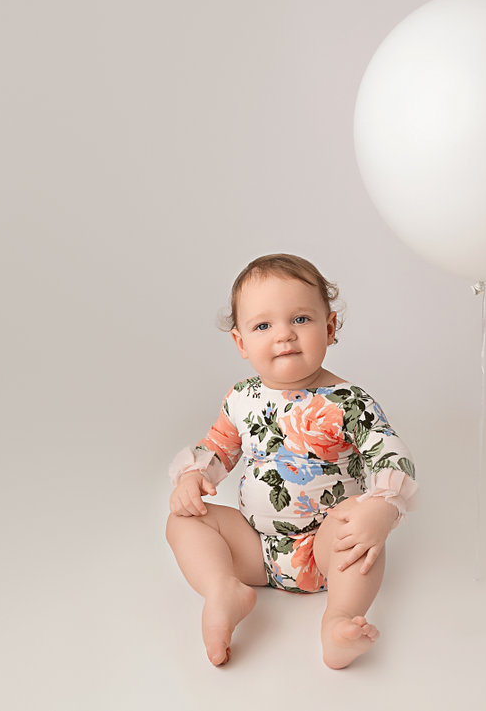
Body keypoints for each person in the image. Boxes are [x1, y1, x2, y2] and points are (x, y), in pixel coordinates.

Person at [166, 254, 418, 669]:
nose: (284, 335)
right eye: (263, 326)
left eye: (300, 319)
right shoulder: (242, 397)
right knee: (183, 521)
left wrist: (381, 508)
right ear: (241, 343)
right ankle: (223, 589)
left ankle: (338, 622)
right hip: (254, 547)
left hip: (324, 550)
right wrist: (193, 478)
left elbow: (389, 451)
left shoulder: (348, 402)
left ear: (330, 327)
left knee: (355, 531)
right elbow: (219, 446)